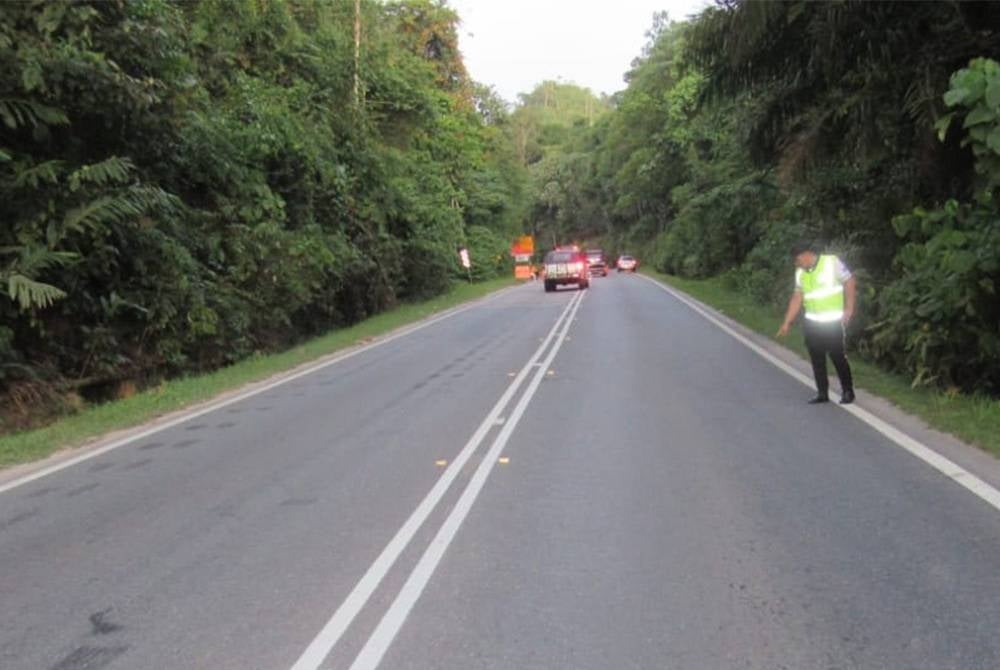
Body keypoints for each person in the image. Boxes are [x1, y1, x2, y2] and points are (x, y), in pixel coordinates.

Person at [776, 241, 856, 404]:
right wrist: (787, 322)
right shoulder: (800, 273)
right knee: (816, 358)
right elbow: (797, 297)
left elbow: (849, 281)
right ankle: (822, 392)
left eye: (797, 260)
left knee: (837, 356)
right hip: (812, 322)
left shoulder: (831, 262)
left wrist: (849, 308)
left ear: (806, 255)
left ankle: (847, 391)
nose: (797, 264)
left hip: (832, 321)